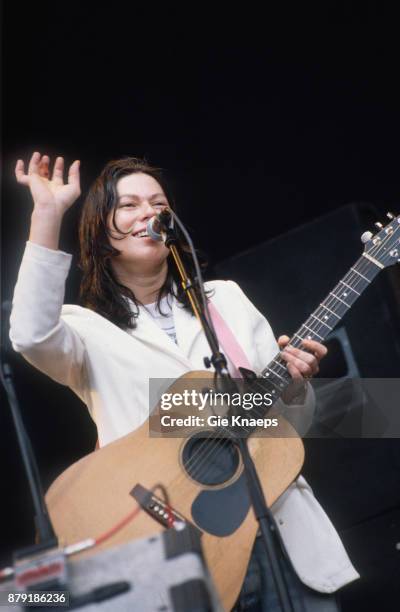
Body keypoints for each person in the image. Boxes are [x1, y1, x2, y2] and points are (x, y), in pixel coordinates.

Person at [10, 152, 359, 611]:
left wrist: (295, 384)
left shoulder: (226, 301)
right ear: (100, 230)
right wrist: (49, 213)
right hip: (176, 543)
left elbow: (291, 429)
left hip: (279, 531)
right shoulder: (84, 330)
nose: (149, 214)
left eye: (158, 204)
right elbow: (30, 333)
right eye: (129, 205)